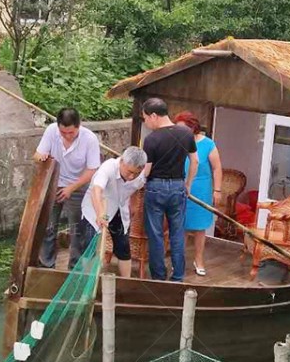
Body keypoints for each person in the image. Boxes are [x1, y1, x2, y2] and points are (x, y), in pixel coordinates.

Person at [34, 107, 100, 270]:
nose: (67, 136)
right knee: (48, 226)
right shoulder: (51, 131)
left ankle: (74, 267)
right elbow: (37, 154)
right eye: (63, 133)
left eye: (71, 133)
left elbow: (92, 169)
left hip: (79, 185)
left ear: (79, 126)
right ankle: (46, 265)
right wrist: (41, 157)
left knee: (77, 230)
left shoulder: (89, 139)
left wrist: (71, 188)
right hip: (54, 184)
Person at [141, 97, 198, 282]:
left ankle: (158, 277)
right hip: (177, 187)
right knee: (177, 233)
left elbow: (146, 170)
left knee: (156, 234)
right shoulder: (186, 133)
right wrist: (188, 184)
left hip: (155, 187)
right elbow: (195, 161)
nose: (146, 123)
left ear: (154, 116)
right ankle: (178, 277)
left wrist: (136, 181)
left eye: (146, 118)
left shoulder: (150, 139)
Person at [80, 147, 147, 277]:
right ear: (122, 161)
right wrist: (100, 214)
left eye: (136, 173)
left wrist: (132, 205)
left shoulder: (139, 175)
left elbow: (137, 188)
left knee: (123, 247)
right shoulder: (108, 168)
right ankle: (87, 282)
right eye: (129, 172)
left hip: (118, 210)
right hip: (95, 208)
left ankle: (126, 281)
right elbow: (96, 191)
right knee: (89, 246)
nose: (132, 176)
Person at [174, 111, 223, 276]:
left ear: (192, 127)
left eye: (182, 128)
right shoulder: (176, 143)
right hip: (181, 187)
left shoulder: (208, 144)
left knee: (200, 227)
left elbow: (217, 168)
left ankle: (199, 259)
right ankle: (178, 261)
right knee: (181, 226)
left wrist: (217, 190)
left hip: (201, 189)